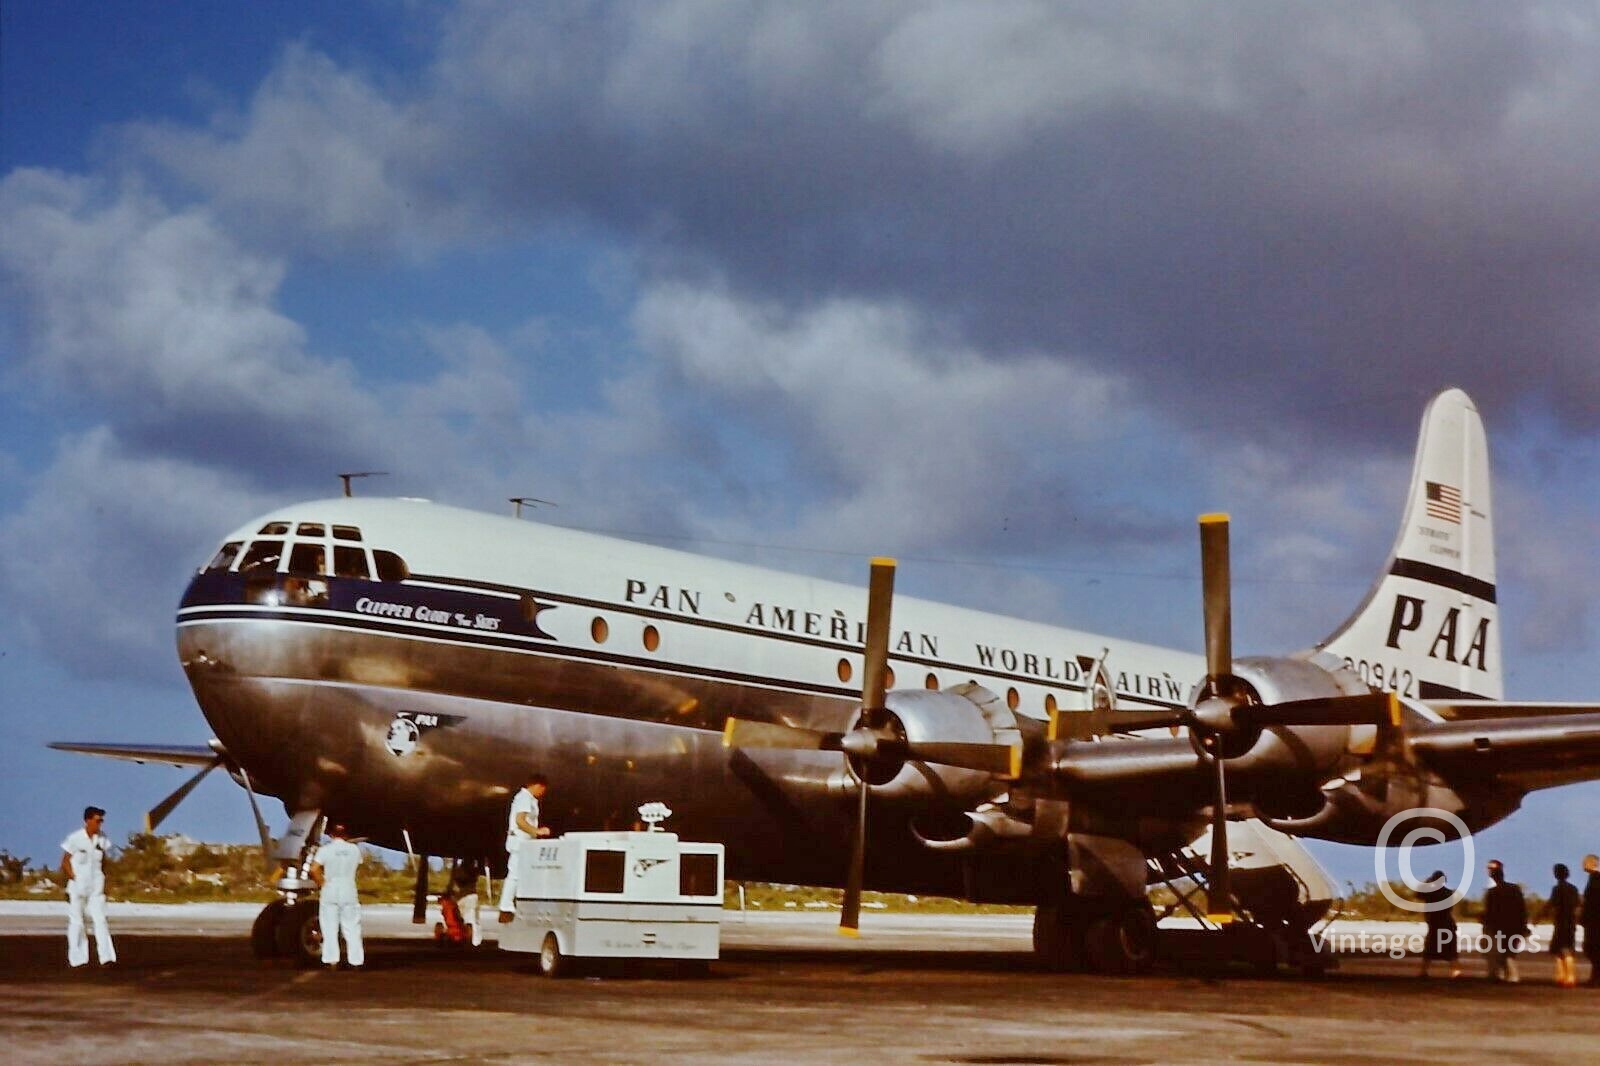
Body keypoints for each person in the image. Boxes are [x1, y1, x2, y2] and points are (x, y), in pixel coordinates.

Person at [60, 806, 117, 968]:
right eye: (97, 820)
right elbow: (65, 862)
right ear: (88, 820)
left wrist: (104, 880)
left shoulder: (102, 838)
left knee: (100, 920)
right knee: (77, 921)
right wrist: (74, 878)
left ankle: (106, 958)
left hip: (96, 887)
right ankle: (78, 959)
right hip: (78, 886)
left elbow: (104, 860)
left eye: (102, 821)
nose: (100, 824)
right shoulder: (75, 838)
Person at [310, 822, 364, 970]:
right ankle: (356, 961)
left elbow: (314, 869)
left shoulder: (325, 850)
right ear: (346, 835)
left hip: (330, 889)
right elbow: (358, 864)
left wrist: (322, 882)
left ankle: (332, 960)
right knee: (352, 927)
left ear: (331, 834)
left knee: (329, 927)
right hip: (348, 888)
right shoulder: (354, 850)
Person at [497, 772, 550, 923]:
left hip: (525, 842)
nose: (542, 793)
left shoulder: (529, 799)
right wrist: (536, 831)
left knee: (521, 875)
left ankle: (514, 902)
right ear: (538, 785)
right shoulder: (524, 798)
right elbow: (520, 820)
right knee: (515, 874)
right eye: (542, 790)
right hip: (520, 841)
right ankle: (506, 906)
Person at [1482, 859, 1529, 983]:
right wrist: (1524, 926)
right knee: (1508, 951)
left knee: (1505, 952)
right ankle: (1507, 974)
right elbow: (1522, 909)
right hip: (1515, 926)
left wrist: (1486, 925)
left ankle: (1511, 975)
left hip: (1500, 927)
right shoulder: (1514, 889)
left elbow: (1490, 912)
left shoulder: (1492, 892)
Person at [1417, 870, 1460, 978]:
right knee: (1450, 950)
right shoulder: (1448, 893)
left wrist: (1426, 882)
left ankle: (1424, 971)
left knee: (1429, 949)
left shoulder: (1430, 893)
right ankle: (1455, 972)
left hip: (1435, 924)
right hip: (1447, 924)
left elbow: (1418, 894)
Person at [1544, 863, 1581, 988]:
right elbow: (1578, 907)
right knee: (1566, 950)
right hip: (1570, 923)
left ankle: (1566, 976)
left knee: (1561, 951)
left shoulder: (1557, 889)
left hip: (1560, 923)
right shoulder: (1574, 889)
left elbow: (1551, 905)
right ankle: (1566, 976)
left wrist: (1539, 916)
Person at [1582, 854, 1600, 986]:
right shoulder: (1593, 878)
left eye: (1585, 862)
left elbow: (1592, 902)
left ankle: (1595, 978)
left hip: (1594, 921)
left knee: (1593, 949)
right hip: (1593, 920)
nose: (1583, 864)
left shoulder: (1595, 878)